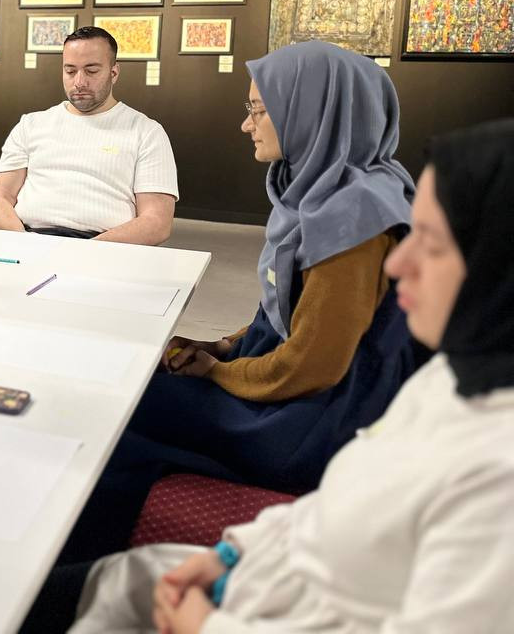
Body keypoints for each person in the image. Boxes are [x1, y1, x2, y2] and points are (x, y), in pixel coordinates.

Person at [65, 118, 514, 634]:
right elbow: (338, 502)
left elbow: (310, 364)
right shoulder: (448, 383)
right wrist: (235, 553)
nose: (397, 265)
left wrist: (206, 625)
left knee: (128, 412)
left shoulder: (497, 477)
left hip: (262, 578)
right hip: (260, 582)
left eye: (431, 242)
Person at [54, 40, 420, 575]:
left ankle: (77, 572)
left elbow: (313, 365)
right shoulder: (329, 190)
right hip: (299, 393)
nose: (246, 125)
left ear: (309, 112)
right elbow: (294, 313)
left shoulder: (352, 218)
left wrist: (218, 372)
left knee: (117, 407)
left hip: (309, 419)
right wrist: (225, 345)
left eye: (258, 110)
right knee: (136, 389)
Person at [0, 26, 177, 244]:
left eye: (91, 71)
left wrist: (86, 252)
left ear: (114, 73)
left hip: (105, 245)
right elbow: (0, 197)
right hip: (29, 239)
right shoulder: (31, 124)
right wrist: (23, 243)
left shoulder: (147, 132)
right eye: (70, 71)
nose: (79, 82)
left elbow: (156, 221)